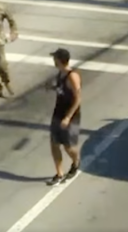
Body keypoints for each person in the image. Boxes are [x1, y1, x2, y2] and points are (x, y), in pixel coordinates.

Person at [45, 48, 82, 186]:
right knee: (54, 143)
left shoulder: (72, 76)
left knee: (68, 146)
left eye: (55, 58)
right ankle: (59, 173)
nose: (53, 60)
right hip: (58, 112)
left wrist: (68, 117)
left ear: (60, 60)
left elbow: (78, 99)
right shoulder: (60, 74)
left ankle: (76, 161)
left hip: (70, 115)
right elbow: (61, 90)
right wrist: (52, 87)